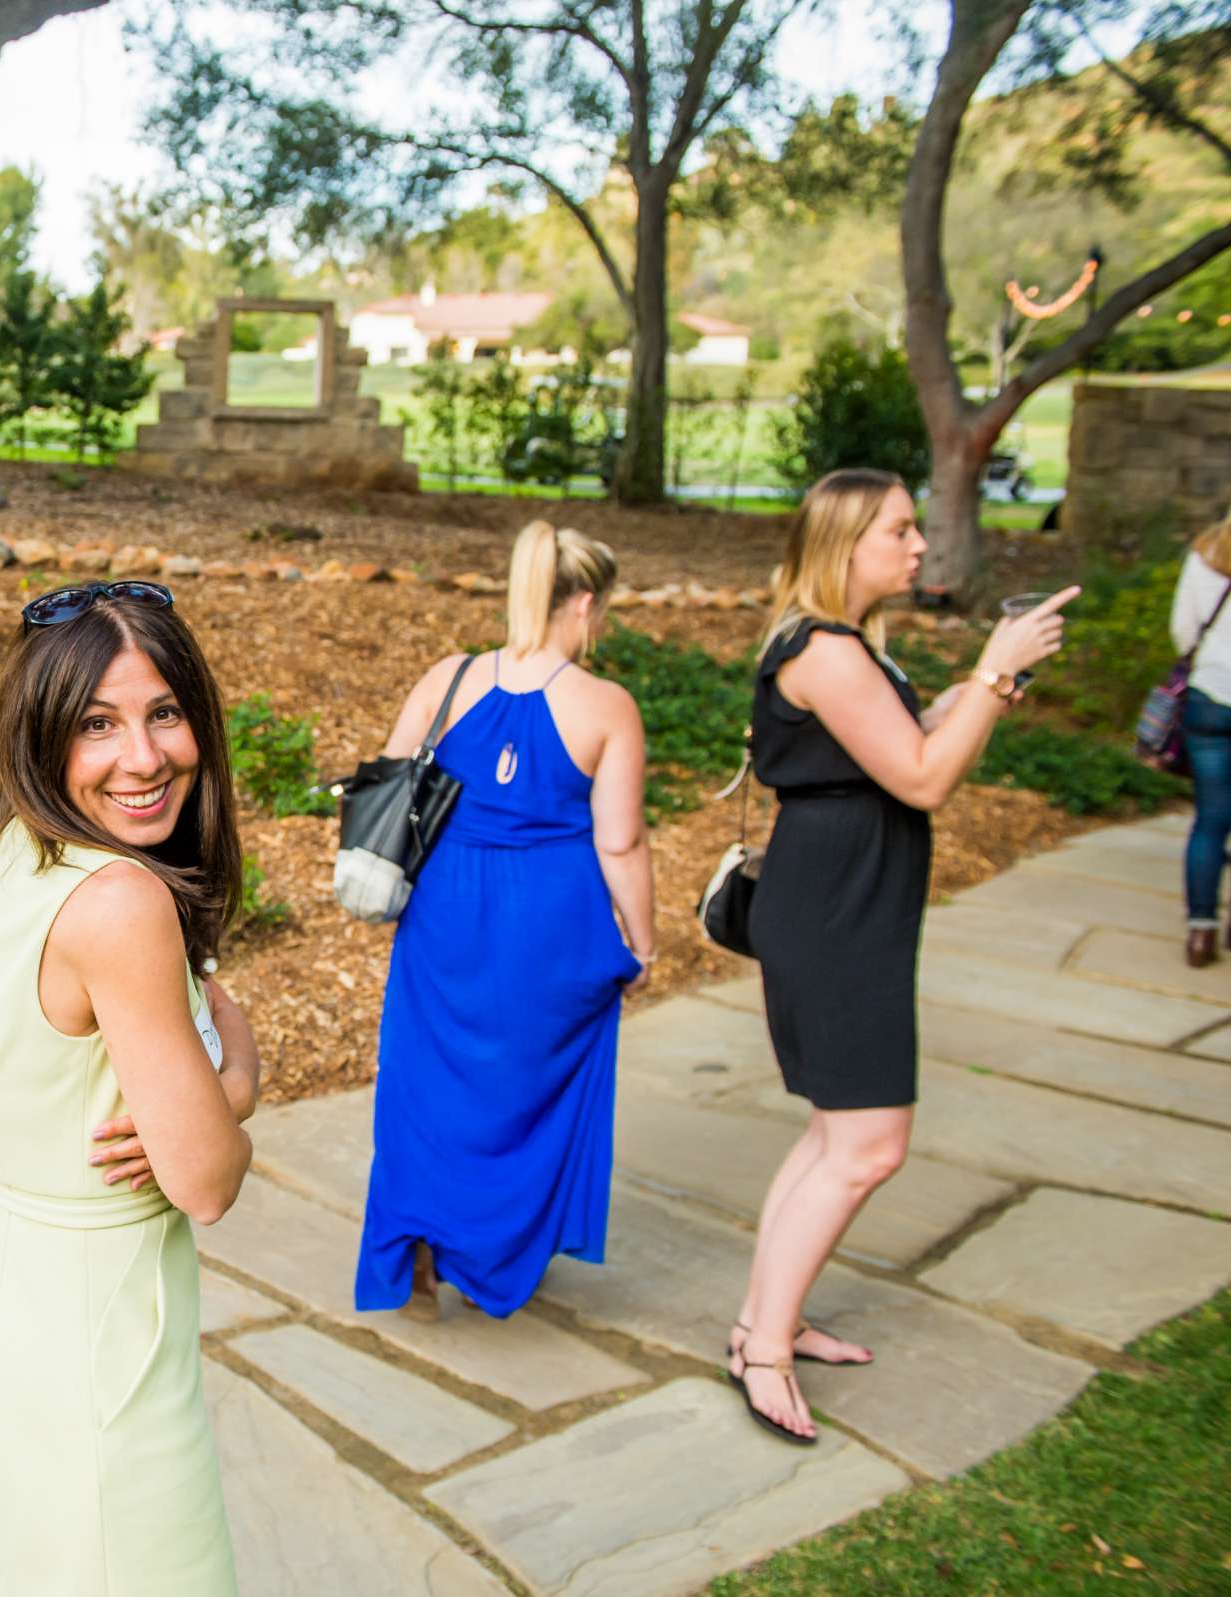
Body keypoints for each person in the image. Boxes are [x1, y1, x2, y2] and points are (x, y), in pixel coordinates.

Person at [729, 468, 1073, 1444]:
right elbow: (922, 781)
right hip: (836, 911)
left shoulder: (842, 646)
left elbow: (897, 746)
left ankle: (767, 1320)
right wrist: (998, 674)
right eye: (901, 529)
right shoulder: (829, 650)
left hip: (845, 902)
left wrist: (972, 691)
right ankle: (762, 1353)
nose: (919, 546)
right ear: (847, 545)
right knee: (869, 1143)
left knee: (840, 1137)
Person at [0, 579, 260, 1596]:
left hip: (9, 1300)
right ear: (43, 736)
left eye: (164, 711)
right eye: (98, 724)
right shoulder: (121, 902)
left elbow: (209, 998)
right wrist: (235, 1092)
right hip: (100, 1338)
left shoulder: (15, 855)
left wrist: (217, 1069)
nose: (144, 755)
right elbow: (205, 1177)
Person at [353, 521, 655, 1322]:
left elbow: (389, 775)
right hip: (550, 924)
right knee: (526, 1087)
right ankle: (502, 1246)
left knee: (428, 1080)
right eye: (604, 611)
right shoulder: (605, 705)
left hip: (445, 909)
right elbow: (621, 841)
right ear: (583, 602)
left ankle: (416, 1237)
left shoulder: (448, 679)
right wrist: (642, 937)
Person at [1167, 515, 1231, 967]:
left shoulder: (1206, 554)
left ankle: (1200, 931)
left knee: (1210, 819)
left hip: (1209, 695)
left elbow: (1183, 631)